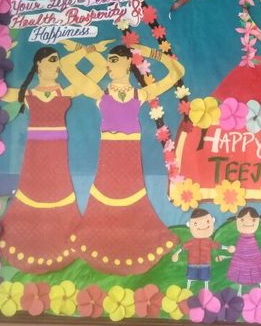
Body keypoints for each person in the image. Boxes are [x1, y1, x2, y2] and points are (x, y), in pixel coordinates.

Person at [63, 43, 185, 275]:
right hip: (109, 154)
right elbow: (67, 66)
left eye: (113, 60)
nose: (108, 65)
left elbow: (177, 70)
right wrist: (87, 49)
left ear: (128, 62)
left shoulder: (141, 94)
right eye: (108, 60)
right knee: (104, 199)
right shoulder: (100, 92)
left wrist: (148, 52)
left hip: (130, 156)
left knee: (132, 200)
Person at [0, 40, 112, 274]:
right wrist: (2, 57)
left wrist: (86, 51)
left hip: (58, 151)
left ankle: (63, 239)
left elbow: (96, 74)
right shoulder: (27, 94)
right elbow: (0, 92)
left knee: (58, 189)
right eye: (52, 61)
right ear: (38, 64)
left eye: (58, 62)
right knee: (33, 189)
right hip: (35, 153)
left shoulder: (64, 90)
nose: (56, 66)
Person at [171, 208, 235, 289]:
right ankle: (188, 289)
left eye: (207, 222)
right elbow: (183, 247)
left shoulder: (208, 241)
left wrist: (227, 248)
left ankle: (206, 289)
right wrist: (176, 253)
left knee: (205, 277)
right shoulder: (191, 241)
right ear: (189, 225)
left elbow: (218, 245)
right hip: (192, 263)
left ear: (212, 221)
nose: (203, 226)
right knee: (191, 277)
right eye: (196, 224)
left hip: (205, 262)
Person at [222, 207, 261, 294]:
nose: (247, 222)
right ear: (236, 220)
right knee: (242, 276)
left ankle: (260, 292)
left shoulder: (253, 242)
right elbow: (237, 253)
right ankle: (240, 293)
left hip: (254, 258)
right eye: (242, 220)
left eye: (253, 220)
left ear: (258, 220)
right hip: (242, 256)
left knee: (257, 275)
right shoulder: (241, 241)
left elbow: (258, 253)